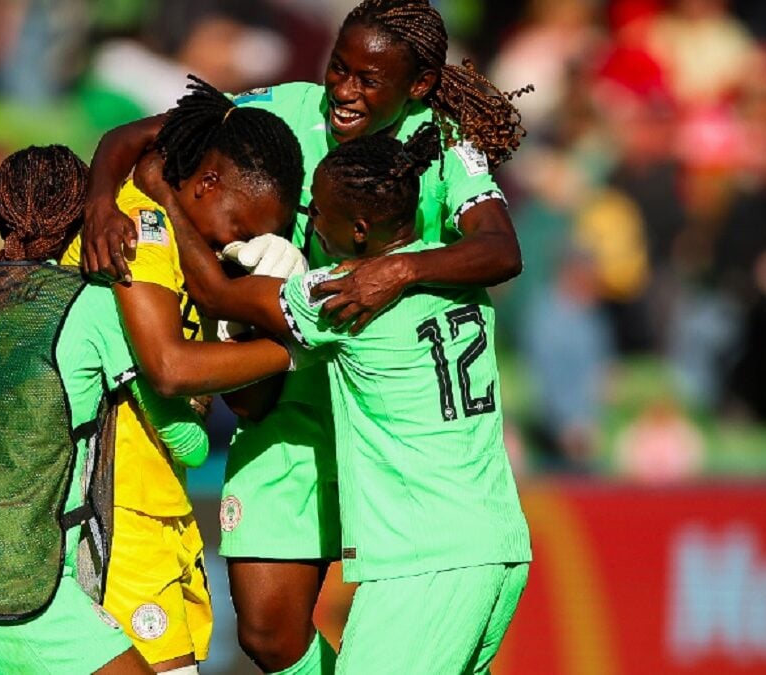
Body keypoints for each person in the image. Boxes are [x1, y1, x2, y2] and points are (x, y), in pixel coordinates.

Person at [80, 1, 531, 671]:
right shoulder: (289, 108)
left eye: (368, 79)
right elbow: (138, 136)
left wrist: (395, 272)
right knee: (268, 633)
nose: (344, 91)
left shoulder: (445, 142)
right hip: (291, 395)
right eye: (338, 68)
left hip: (386, 402)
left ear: (418, 85)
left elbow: (501, 249)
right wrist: (99, 203)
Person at [0, 145, 296, 674]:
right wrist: (284, 351)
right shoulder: (89, 303)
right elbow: (187, 441)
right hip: (9, 585)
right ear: (86, 215)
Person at [167, 131, 532, 674]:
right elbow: (497, 245)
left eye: (319, 211)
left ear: (359, 229)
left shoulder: (350, 294)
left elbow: (215, 294)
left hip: (421, 562)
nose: (310, 221)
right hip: (497, 546)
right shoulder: (460, 272)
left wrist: (165, 202)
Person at [61, 76, 307, 673]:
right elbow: (168, 369)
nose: (241, 243)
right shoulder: (136, 224)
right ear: (208, 182)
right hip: (112, 508)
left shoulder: (196, 246)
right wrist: (298, 350)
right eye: (241, 227)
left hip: (161, 508)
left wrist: (250, 301)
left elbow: (248, 403)